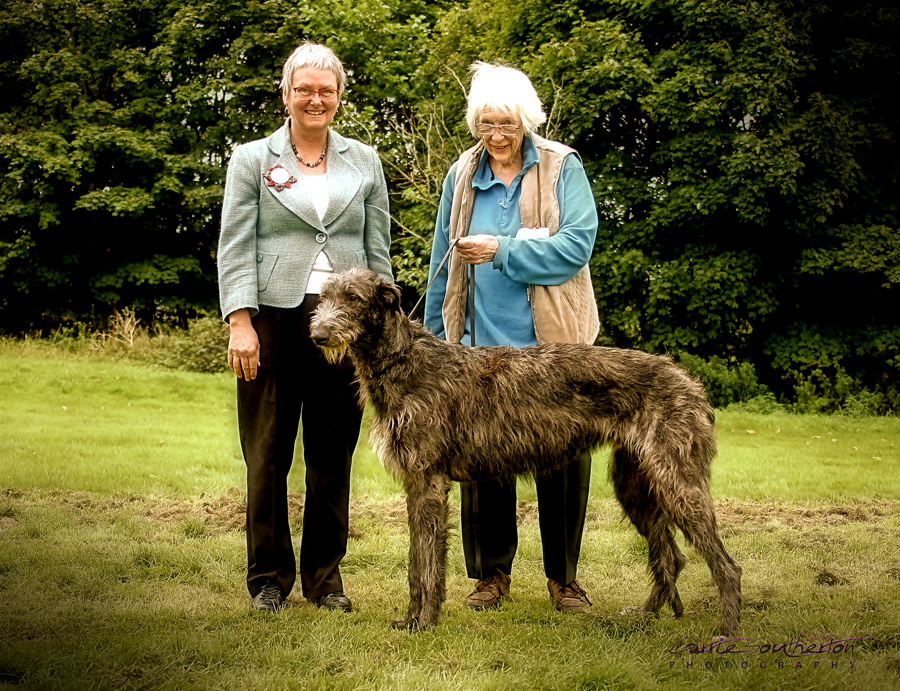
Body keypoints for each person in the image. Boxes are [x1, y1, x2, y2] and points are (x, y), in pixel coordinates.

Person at [217, 42, 392, 613]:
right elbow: (235, 245)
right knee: (267, 451)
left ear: (339, 96)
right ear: (286, 93)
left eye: (326, 89)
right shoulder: (250, 159)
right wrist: (239, 321)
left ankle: (325, 578)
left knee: (332, 451)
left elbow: (377, 250)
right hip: (272, 320)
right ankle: (268, 577)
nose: (315, 98)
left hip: (345, 324)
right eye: (304, 88)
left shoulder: (364, 160)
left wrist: (382, 328)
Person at [423, 62, 600, 614]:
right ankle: (491, 574)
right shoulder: (461, 174)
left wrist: (501, 249)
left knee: (564, 460)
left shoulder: (561, 165)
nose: (497, 137)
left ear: (527, 119)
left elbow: (576, 245)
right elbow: (440, 264)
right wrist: (433, 339)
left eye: (506, 124)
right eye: (485, 125)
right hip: (478, 345)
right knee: (481, 462)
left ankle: (564, 579)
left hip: (554, 345)